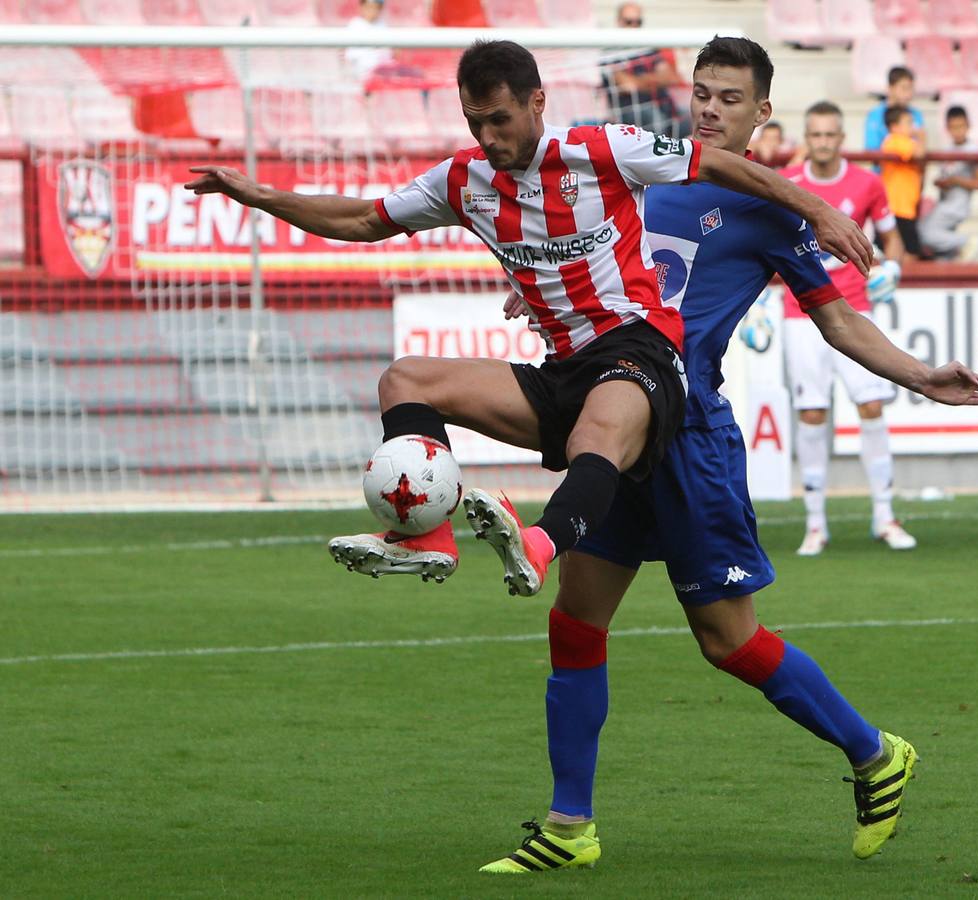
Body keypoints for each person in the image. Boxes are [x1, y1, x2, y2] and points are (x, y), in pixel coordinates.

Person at [477, 38, 978, 873]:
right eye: (701, 94)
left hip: (688, 439)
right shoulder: (632, 176)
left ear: (761, 114)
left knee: (726, 642)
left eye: (730, 98)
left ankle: (875, 751)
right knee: (574, 621)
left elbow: (836, 318)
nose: (711, 109)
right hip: (612, 419)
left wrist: (917, 376)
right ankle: (568, 828)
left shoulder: (769, 212)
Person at [185, 39, 873, 597]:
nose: (488, 137)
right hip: (562, 367)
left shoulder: (603, 148)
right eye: (474, 123)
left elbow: (720, 168)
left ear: (536, 103)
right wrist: (257, 196)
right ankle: (429, 533)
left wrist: (819, 208)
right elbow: (363, 218)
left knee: (594, 443)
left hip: (641, 351)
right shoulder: (462, 180)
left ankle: (539, 542)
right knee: (404, 381)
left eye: (500, 121)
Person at [782, 100, 915, 557]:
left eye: (829, 134)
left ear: (841, 138)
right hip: (800, 315)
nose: (821, 142)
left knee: (872, 406)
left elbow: (891, 234)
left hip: (855, 311)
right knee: (812, 413)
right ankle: (815, 523)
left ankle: (885, 514)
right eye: (814, 134)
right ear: (807, 137)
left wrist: (893, 266)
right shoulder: (789, 184)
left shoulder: (867, 183)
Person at [600, 2, 689, 137]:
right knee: (654, 119)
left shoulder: (647, 48)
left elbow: (668, 77)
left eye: (638, 22)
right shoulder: (609, 52)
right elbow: (627, 84)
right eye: (629, 22)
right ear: (619, 22)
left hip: (663, 105)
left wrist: (639, 82)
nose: (634, 26)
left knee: (691, 118)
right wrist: (654, 80)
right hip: (628, 111)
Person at [918, 105, 978, 261]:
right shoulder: (947, 149)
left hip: (958, 205)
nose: (958, 131)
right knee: (942, 251)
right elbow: (944, 176)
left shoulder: (974, 150)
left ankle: (966, 241)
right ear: (947, 128)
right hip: (945, 200)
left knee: (924, 232)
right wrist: (942, 182)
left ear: (968, 126)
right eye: (954, 127)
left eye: (961, 126)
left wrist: (955, 180)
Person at [879, 105, 924, 260]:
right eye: (909, 123)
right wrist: (922, 137)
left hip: (904, 206)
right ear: (894, 127)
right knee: (911, 251)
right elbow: (919, 153)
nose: (913, 127)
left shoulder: (902, 141)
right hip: (899, 207)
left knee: (906, 250)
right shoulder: (896, 141)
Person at [863, 66, 925, 152]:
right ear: (890, 88)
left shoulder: (916, 114)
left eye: (911, 88)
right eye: (904, 88)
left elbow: (920, 150)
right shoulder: (875, 115)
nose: (909, 94)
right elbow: (871, 150)